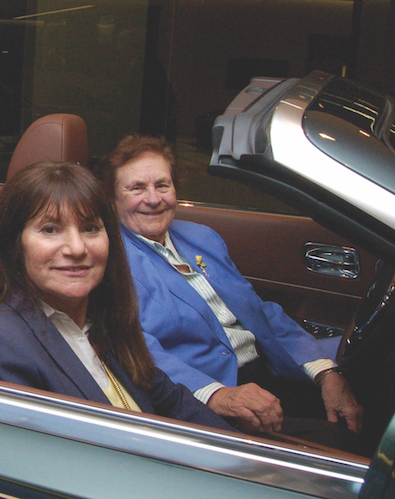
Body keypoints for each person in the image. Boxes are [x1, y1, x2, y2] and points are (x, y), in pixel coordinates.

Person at [101, 135, 363, 447]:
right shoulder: (111, 260)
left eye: (162, 185)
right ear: (112, 199)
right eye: (137, 188)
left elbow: (259, 310)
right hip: (214, 397)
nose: (154, 198)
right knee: (349, 444)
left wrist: (324, 372)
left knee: (368, 388)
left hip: (271, 371)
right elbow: (134, 347)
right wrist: (218, 394)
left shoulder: (202, 238)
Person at [0, 162, 230, 430]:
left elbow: (173, 403)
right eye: (50, 230)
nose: (77, 248)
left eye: (90, 228)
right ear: (14, 245)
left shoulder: (103, 318)